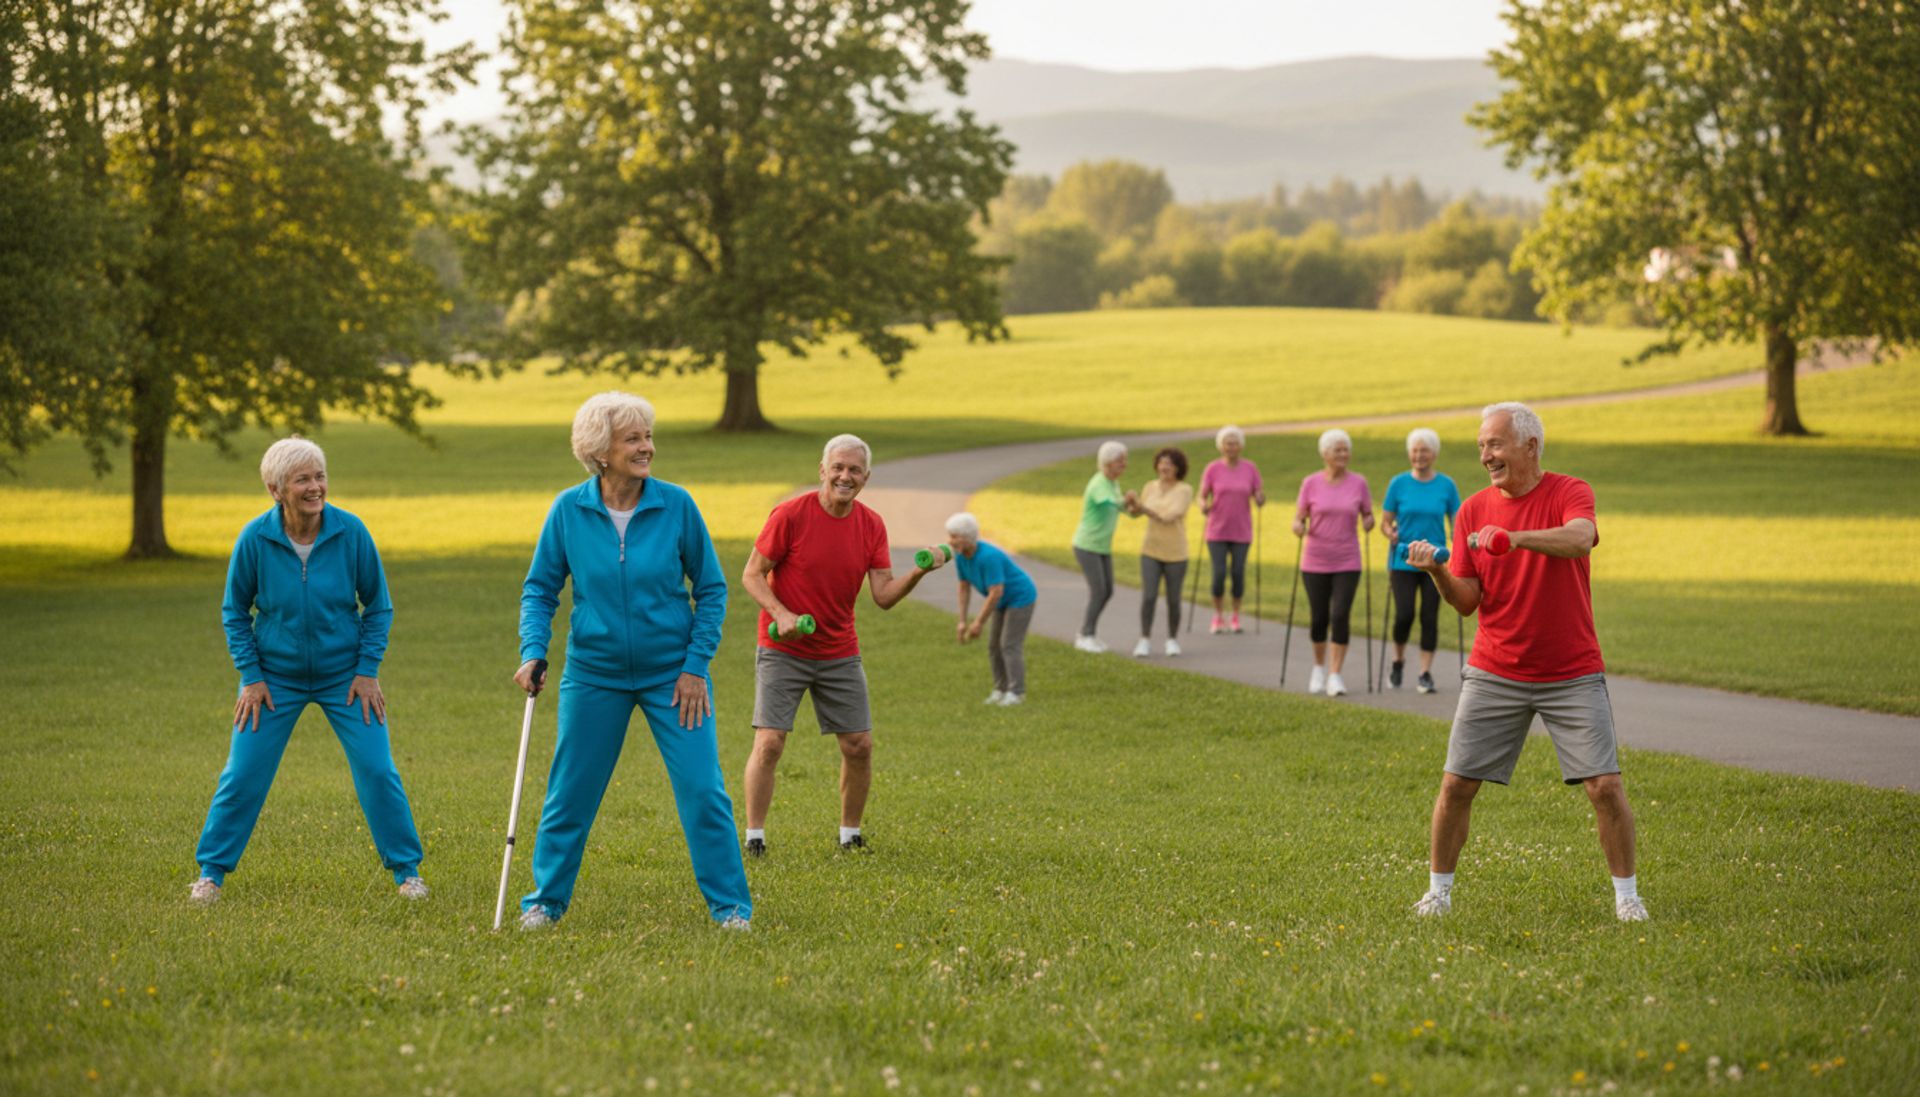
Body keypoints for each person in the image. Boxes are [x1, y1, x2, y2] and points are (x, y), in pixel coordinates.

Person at [513, 392, 749, 931]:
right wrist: (533, 650)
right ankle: (545, 903)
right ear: (600, 451)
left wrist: (695, 666)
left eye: (647, 436)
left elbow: (711, 590)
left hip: (674, 675)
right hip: (594, 675)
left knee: (703, 791)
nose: (648, 447)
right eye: (634, 439)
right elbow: (540, 590)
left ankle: (731, 908)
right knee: (568, 794)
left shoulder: (677, 505)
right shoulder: (568, 510)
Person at [1404, 402, 1646, 922]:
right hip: (1496, 669)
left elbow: (1581, 538)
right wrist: (1437, 573)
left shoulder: (1569, 491)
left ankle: (1628, 899)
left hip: (1571, 671)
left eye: (1494, 444)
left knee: (1604, 787)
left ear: (1530, 446)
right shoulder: (1472, 509)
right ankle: (1438, 894)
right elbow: (1468, 601)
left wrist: (1513, 539)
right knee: (1456, 784)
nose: (1486, 456)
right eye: (1481, 447)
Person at [191, 436, 425, 905]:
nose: (315, 487)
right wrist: (252, 677)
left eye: (319, 476)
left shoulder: (350, 531)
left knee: (378, 771)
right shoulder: (255, 539)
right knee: (242, 775)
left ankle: (408, 873)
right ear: (276, 489)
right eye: (303, 480)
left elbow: (378, 606)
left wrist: (367, 669)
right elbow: (234, 611)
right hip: (273, 680)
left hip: (347, 677)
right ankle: (210, 874)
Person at [740, 434, 938, 856]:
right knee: (770, 741)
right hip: (784, 648)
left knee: (859, 746)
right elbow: (752, 574)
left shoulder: (871, 524)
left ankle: (850, 835)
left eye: (854, 470)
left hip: (838, 650)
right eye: (838, 467)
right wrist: (781, 614)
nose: (845, 476)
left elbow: (883, 595)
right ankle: (754, 837)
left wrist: (918, 572)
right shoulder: (791, 515)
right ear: (822, 470)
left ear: (866, 477)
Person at [1291, 429, 1373, 696]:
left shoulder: (1359, 483)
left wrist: (1370, 522)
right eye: (1337, 450)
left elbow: (1367, 514)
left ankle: (1335, 674)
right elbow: (1299, 517)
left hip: (1348, 559)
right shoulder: (1310, 483)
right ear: (1325, 454)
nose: (1343, 454)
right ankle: (1318, 668)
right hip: (1315, 560)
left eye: (1345, 449)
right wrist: (1297, 527)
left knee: (1340, 616)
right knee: (1319, 618)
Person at [1381, 428, 1461, 693]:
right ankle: (1398, 660)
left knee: (1429, 617)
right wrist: (1389, 532)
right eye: (1415, 451)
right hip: (1403, 559)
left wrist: (1458, 538)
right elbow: (1386, 522)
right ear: (1409, 454)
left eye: (1424, 450)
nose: (1419, 455)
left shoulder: (1446, 485)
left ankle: (1425, 673)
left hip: (1435, 561)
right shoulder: (1398, 483)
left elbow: (1456, 519)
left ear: (1434, 454)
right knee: (1404, 614)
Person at [945, 511, 1039, 705]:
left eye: (955, 536)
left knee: (1009, 644)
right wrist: (962, 622)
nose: (951, 541)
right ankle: (1000, 689)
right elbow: (964, 587)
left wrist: (978, 622)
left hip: (1021, 597)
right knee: (993, 645)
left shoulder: (989, 557)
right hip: (1001, 600)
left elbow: (996, 591)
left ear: (968, 537)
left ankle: (1016, 692)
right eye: (950, 536)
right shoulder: (961, 557)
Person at [1199, 426, 1265, 634]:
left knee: (1238, 572)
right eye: (1228, 443)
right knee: (1218, 573)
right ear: (1221, 446)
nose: (1231, 447)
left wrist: (1260, 498)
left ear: (1241, 446)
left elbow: (1258, 493)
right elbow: (1202, 495)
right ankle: (1218, 615)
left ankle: (1235, 616)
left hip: (1241, 530)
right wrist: (1203, 505)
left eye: (1235, 443)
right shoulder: (1212, 469)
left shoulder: (1250, 468)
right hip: (1217, 530)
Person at [1070, 441, 1136, 652]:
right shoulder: (1099, 483)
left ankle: (1091, 633)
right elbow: (1111, 502)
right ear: (1107, 463)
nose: (1124, 466)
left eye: (1125, 461)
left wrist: (1136, 508)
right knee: (1099, 590)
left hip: (1102, 546)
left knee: (1108, 591)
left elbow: (1123, 507)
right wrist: (1127, 501)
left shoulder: (1112, 482)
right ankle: (1085, 635)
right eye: (1120, 462)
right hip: (1087, 545)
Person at [1131, 446, 1192, 657]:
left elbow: (1169, 516)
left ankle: (1172, 639)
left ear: (1178, 468)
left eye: (1170, 464)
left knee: (1173, 599)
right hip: (1150, 549)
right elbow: (1136, 513)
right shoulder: (1150, 486)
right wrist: (1131, 505)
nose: (1164, 467)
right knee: (1149, 596)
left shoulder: (1184, 490)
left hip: (1176, 552)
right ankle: (1144, 639)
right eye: (1162, 463)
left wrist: (1142, 508)